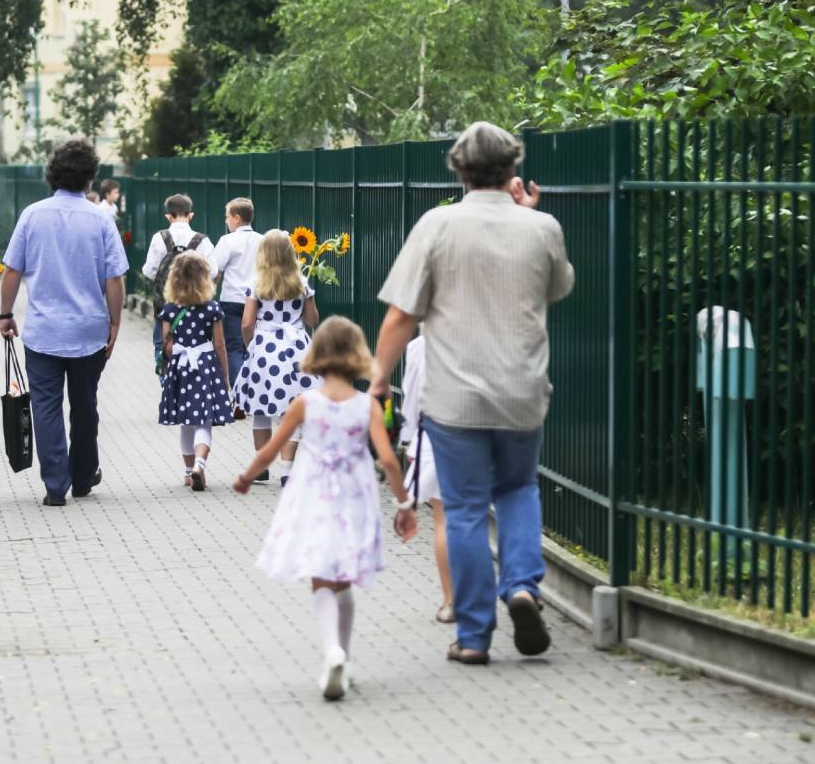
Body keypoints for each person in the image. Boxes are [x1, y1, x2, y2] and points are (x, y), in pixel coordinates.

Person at [369, 121, 574, 666]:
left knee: (461, 510)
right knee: (517, 490)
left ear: (458, 169)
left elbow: (400, 314)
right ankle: (524, 587)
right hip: (522, 390)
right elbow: (557, 289)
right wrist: (526, 217)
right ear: (513, 170)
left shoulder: (438, 225)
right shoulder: (541, 227)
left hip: (454, 397)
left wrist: (380, 378)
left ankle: (474, 636)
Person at [234, 317, 416, 701]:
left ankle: (331, 650)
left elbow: (270, 450)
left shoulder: (305, 403)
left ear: (316, 354)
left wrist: (248, 477)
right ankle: (344, 657)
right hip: (354, 497)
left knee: (321, 574)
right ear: (357, 357)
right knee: (343, 577)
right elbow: (388, 459)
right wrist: (404, 503)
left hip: (315, 497)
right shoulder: (366, 406)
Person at [0, 139, 129, 506]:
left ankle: (56, 484)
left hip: (42, 331)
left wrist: (6, 314)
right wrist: (115, 322)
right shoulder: (101, 217)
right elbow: (115, 279)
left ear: (52, 175)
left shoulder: (32, 215)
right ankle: (84, 475)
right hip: (90, 330)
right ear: (90, 178)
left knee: (46, 405)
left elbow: (11, 270)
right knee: (85, 405)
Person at [232, 230, 321, 485]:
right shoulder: (302, 283)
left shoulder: (257, 284)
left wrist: (251, 344)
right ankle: (287, 469)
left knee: (261, 408)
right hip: (296, 349)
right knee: (290, 409)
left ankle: (261, 466)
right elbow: (312, 319)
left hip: (265, 348)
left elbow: (247, 323)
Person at [157, 252, 233, 492]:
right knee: (204, 421)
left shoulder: (170, 310)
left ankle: (189, 472)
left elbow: (166, 346)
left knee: (186, 423)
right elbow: (220, 345)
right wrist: (225, 375)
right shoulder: (212, 308)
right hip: (205, 366)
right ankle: (200, 465)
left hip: (181, 368)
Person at [399, 333, 454, 623]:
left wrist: (409, 439)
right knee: (472, 519)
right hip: (480, 435)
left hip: (435, 436)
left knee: (443, 521)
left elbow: (411, 399)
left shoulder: (419, 346)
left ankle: (450, 601)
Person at [142, 193, 213, 358]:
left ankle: (166, 381)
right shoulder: (202, 240)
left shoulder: (159, 238)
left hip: (165, 305)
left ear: (168, 216)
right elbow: (213, 271)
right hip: (196, 306)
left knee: (162, 345)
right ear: (191, 215)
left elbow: (149, 271)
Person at [207, 197, 263, 380]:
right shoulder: (262, 241)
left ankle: (238, 396)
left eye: (227, 216)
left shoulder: (227, 241)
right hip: (256, 300)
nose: (226, 220)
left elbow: (214, 269)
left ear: (236, 218)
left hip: (231, 300)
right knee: (254, 345)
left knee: (234, 348)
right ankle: (254, 388)